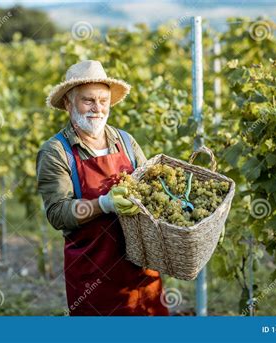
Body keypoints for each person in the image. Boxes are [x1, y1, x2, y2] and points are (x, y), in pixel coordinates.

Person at [36, 60, 169, 316]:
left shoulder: (126, 142)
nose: (97, 108)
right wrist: (104, 204)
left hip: (141, 271)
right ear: (68, 103)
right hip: (93, 274)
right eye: (88, 100)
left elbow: (151, 191)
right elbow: (57, 213)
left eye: (103, 101)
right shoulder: (56, 152)